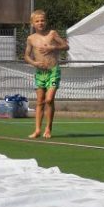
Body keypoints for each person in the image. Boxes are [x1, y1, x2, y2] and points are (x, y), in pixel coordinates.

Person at [23, 9, 69, 139]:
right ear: (32, 23)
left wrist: (53, 47)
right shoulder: (31, 38)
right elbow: (26, 56)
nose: (40, 23)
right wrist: (34, 63)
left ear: (46, 21)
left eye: (42, 20)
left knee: (49, 99)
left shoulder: (52, 34)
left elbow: (66, 46)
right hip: (40, 73)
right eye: (37, 21)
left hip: (53, 71)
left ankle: (48, 128)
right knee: (40, 101)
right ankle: (37, 130)